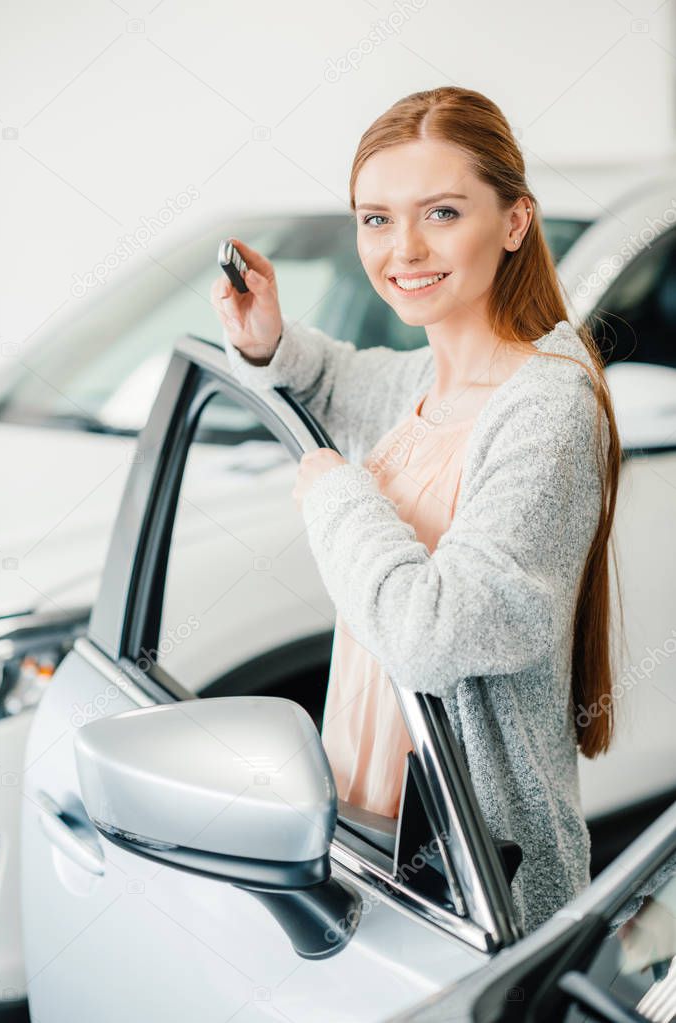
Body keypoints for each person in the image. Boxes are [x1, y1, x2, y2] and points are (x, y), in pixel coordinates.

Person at [210, 85, 623, 938]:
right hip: (366, 834)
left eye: (440, 212)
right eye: (375, 219)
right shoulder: (420, 380)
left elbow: (433, 635)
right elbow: (327, 378)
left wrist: (335, 494)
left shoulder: (545, 406)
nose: (402, 249)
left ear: (514, 222)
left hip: (471, 872)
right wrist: (264, 339)